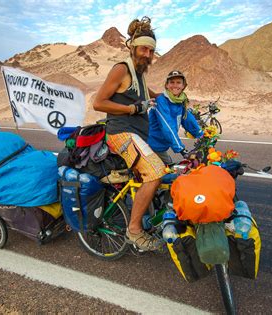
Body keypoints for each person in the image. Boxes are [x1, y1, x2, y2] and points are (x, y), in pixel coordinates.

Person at [93, 17, 165, 251]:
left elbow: (147, 94)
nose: (148, 54)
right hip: (120, 133)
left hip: (138, 134)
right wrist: (130, 109)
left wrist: (171, 98)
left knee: (169, 166)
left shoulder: (139, 73)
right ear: (133, 47)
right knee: (155, 172)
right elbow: (98, 102)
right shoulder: (121, 69)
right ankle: (134, 230)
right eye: (144, 48)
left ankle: (147, 213)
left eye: (152, 50)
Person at [147, 70, 203, 165]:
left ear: (183, 86)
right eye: (172, 82)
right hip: (152, 145)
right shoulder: (161, 101)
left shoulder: (180, 101)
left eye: (178, 82)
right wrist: (181, 149)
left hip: (161, 145)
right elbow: (167, 126)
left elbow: (188, 119)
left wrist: (201, 134)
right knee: (171, 171)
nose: (175, 85)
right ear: (167, 85)